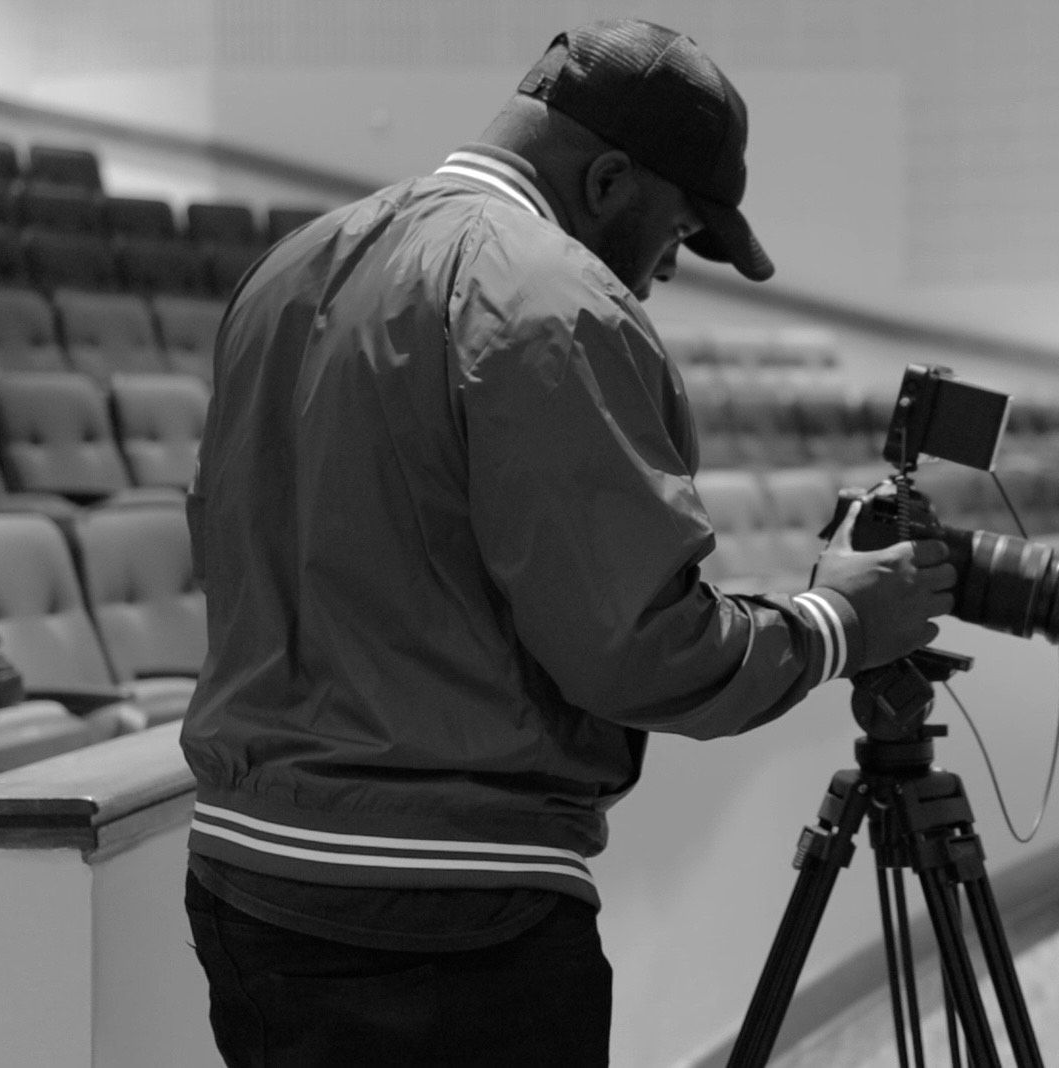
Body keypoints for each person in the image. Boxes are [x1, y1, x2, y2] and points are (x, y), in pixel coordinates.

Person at [179, 19, 956, 1067]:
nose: (668, 271)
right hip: (446, 917)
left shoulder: (288, 264)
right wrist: (837, 622)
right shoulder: (551, 299)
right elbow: (636, 649)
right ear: (606, 183)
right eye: (677, 232)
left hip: (246, 880)